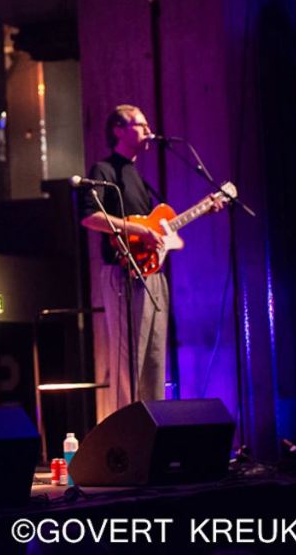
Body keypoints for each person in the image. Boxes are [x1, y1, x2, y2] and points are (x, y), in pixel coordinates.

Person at [79, 104, 223, 415]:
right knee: (128, 360)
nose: (148, 131)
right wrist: (138, 230)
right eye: (141, 125)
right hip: (122, 275)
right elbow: (90, 217)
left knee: (155, 361)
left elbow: (160, 228)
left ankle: (154, 428)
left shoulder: (139, 178)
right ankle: (125, 431)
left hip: (152, 275)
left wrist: (203, 208)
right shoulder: (103, 171)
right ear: (119, 130)